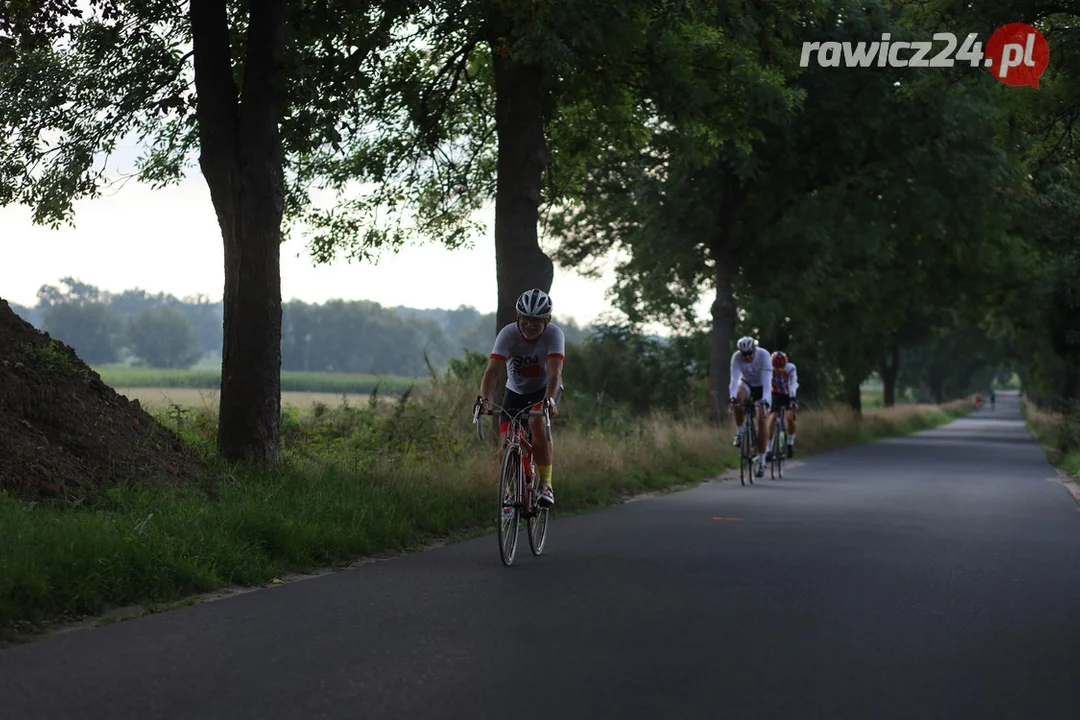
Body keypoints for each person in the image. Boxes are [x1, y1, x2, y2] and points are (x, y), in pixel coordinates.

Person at [478, 289, 565, 508]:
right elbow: (492, 372)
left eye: (536, 320)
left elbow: (555, 374)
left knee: (536, 422)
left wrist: (550, 401)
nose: (530, 325)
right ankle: (510, 493)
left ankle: (545, 484)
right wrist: (484, 399)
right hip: (514, 393)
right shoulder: (508, 334)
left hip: (544, 392)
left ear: (548, 319)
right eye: (525, 319)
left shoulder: (554, 335)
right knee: (506, 442)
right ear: (518, 317)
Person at [729, 336, 772, 478]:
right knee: (738, 399)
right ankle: (741, 432)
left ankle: (762, 461)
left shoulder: (764, 355)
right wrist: (732, 397)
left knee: (761, 419)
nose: (746, 357)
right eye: (744, 354)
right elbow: (734, 379)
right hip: (747, 384)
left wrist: (765, 400)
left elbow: (767, 382)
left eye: (749, 353)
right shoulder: (736, 357)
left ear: (754, 350)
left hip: (762, 388)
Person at [766, 350, 798, 460]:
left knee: (790, 417)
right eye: (776, 367)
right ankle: (768, 449)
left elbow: (793, 383)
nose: (779, 370)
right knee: (772, 417)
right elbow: (765, 382)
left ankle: (789, 443)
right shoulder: (768, 368)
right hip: (774, 393)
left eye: (781, 366)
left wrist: (793, 398)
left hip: (788, 393)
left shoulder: (791, 368)